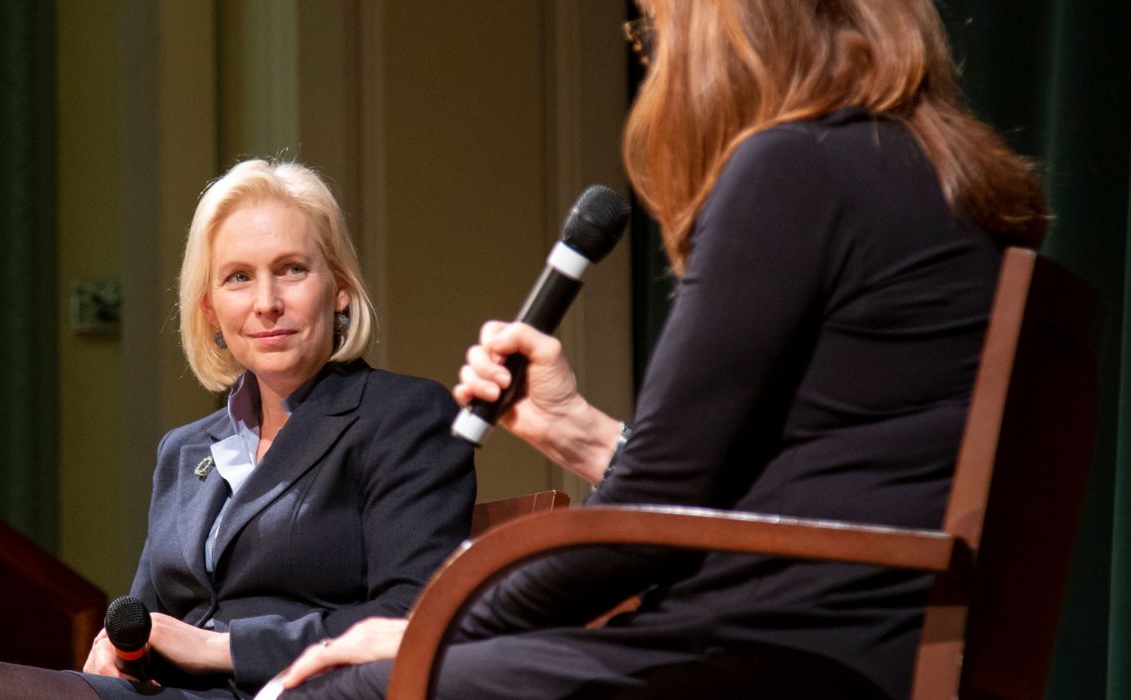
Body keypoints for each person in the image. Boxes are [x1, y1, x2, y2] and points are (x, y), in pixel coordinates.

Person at [265, 1, 1048, 698]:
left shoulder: (794, 167)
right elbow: (791, 485)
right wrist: (579, 431)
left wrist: (435, 624)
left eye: (656, 29)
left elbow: (643, 523)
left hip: (777, 651)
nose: (662, 61)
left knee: (342, 690)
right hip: (874, 637)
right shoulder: (939, 181)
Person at [0, 159, 477, 700]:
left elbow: (409, 619)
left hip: (301, 694)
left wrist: (222, 647)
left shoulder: (402, 416)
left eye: (292, 269)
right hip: (175, 695)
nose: (267, 303)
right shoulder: (184, 449)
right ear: (210, 309)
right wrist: (117, 648)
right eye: (238, 278)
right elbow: (148, 618)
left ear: (339, 289)